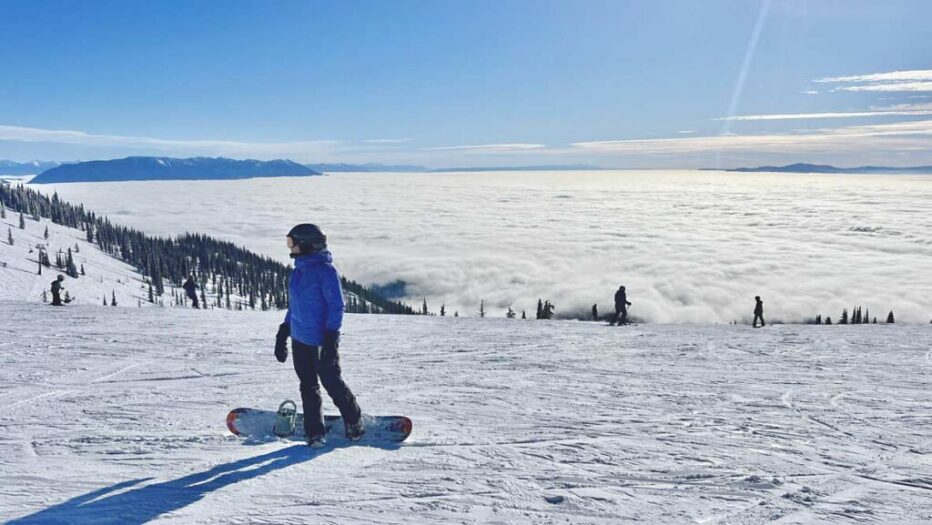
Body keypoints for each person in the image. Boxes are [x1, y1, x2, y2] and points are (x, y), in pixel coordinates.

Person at [275, 223, 363, 447]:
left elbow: (336, 306)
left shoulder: (325, 271)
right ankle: (315, 432)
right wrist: (284, 330)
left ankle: (354, 421)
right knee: (308, 385)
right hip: (299, 339)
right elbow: (295, 305)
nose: (290, 247)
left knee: (332, 382)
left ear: (306, 245)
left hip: (320, 340)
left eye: (292, 242)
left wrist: (331, 337)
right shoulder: (299, 270)